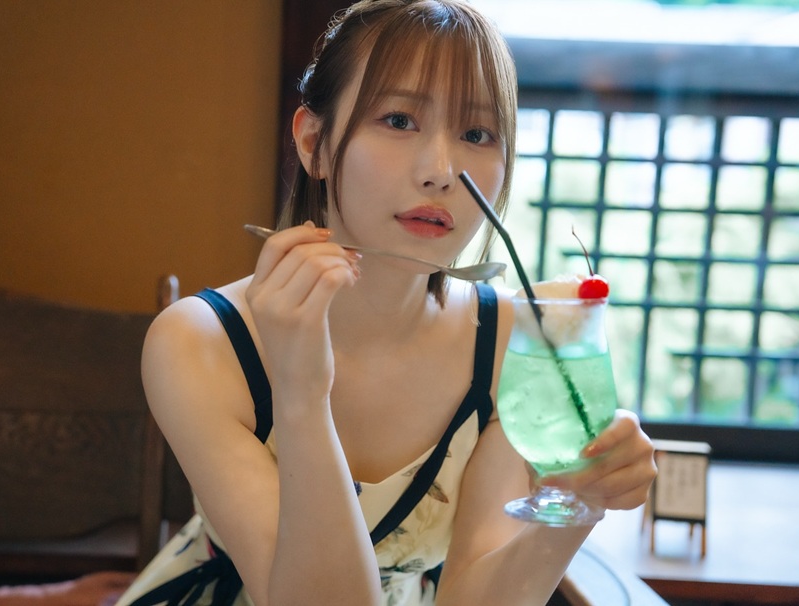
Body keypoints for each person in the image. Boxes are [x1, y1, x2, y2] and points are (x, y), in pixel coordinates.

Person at [116, 1, 657, 605]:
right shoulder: (199, 341)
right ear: (315, 143)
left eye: (476, 134)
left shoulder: (512, 337)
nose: (441, 171)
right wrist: (301, 393)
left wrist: (580, 500)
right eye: (399, 120)